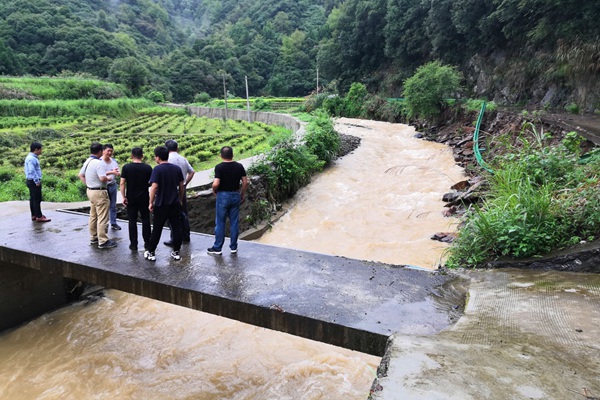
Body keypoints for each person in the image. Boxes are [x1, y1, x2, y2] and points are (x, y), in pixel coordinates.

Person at [144, 146, 185, 261]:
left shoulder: (157, 169)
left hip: (161, 204)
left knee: (157, 228)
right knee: (176, 227)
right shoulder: (176, 169)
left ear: (157, 157)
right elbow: (181, 186)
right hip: (174, 203)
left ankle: (151, 252)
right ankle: (176, 252)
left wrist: (150, 202)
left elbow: (154, 187)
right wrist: (180, 199)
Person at [207, 146, 247, 255]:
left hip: (223, 196)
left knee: (220, 223)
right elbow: (244, 181)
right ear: (232, 155)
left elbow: (216, 183)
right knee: (234, 222)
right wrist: (242, 194)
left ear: (221, 156)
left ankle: (217, 248)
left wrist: (214, 190)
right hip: (235, 195)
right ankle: (233, 247)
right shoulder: (239, 166)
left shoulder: (219, 167)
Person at [78, 142, 118, 249]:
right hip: (99, 192)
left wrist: (88, 184)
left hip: (90, 191)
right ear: (100, 151)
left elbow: (80, 175)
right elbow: (102, 178)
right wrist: (109, 178)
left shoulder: (88, 161)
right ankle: (103, 240)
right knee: (103, 216)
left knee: (93, 215)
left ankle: (93, 236)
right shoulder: (98, 163)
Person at [120, 147, 153, 251]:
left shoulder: (126, 167)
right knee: (146, 220)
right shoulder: (148, 168)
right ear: (142, 156)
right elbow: (151, 183)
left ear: (131, 156)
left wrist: (123, 196)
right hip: (144, 197)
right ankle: (147, 243)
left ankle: (133, 244)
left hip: (131, 197)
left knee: (132, 221)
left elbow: (122, 183)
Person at [163, 139, 195, 246]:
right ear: (177, 148)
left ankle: (175, 238)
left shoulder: (167, 160)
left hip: (171, 190)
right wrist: (185, 183)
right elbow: (192, 171)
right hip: (182, 189)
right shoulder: (183, 159)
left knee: (172, 215)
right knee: (183, 212)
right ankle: (186, 235)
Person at [24, 142, 50, 223]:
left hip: (29, 181)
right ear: (36, 149)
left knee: (33, 199)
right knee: (37, 199)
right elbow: (32, 170)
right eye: (40, 149)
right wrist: (37, 181)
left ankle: (34, 215)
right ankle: (39, 216)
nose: (41, 151)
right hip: (33, 181)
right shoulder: (32, 158)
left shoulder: (29, 157)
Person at [102, 144, 121, 231]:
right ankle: (104, 223)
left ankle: (113, 222)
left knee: (113, 205)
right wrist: (111, 172)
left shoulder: (114, 161)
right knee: (104, 206)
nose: (110, 153)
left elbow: (117, 171)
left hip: (112, 185)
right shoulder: (99, 162)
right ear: (103, 151)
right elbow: (98, 174)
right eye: (108, 151)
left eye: (111, 151)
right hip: (103, 186)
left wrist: (117, 173)